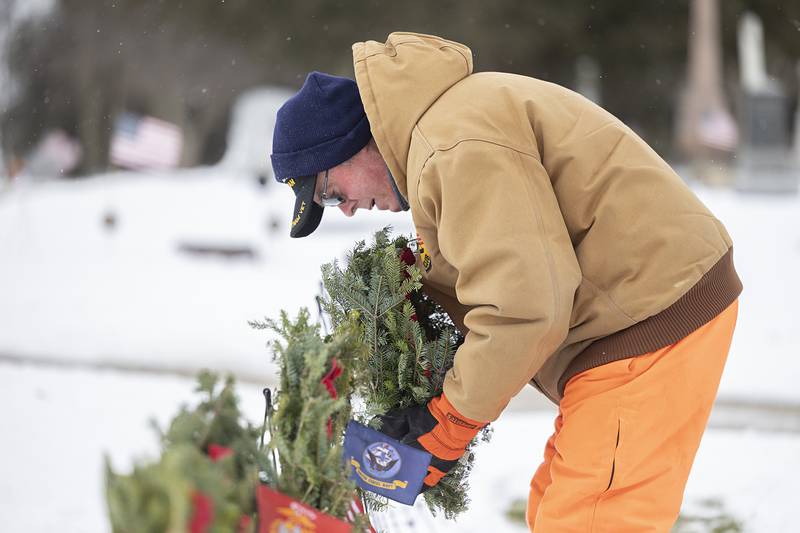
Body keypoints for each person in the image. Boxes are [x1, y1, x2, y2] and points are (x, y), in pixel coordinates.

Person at [270, 32, 742, 532]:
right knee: (554, 511)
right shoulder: (447, 131)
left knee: (588, 520)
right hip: (630, 318)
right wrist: (426, 293)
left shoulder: (452, 147)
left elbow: (526, 303)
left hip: (648, 318)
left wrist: (451, 420)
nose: (345, 207)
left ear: (347, 145)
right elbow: (514, 262)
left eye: (327, 193)